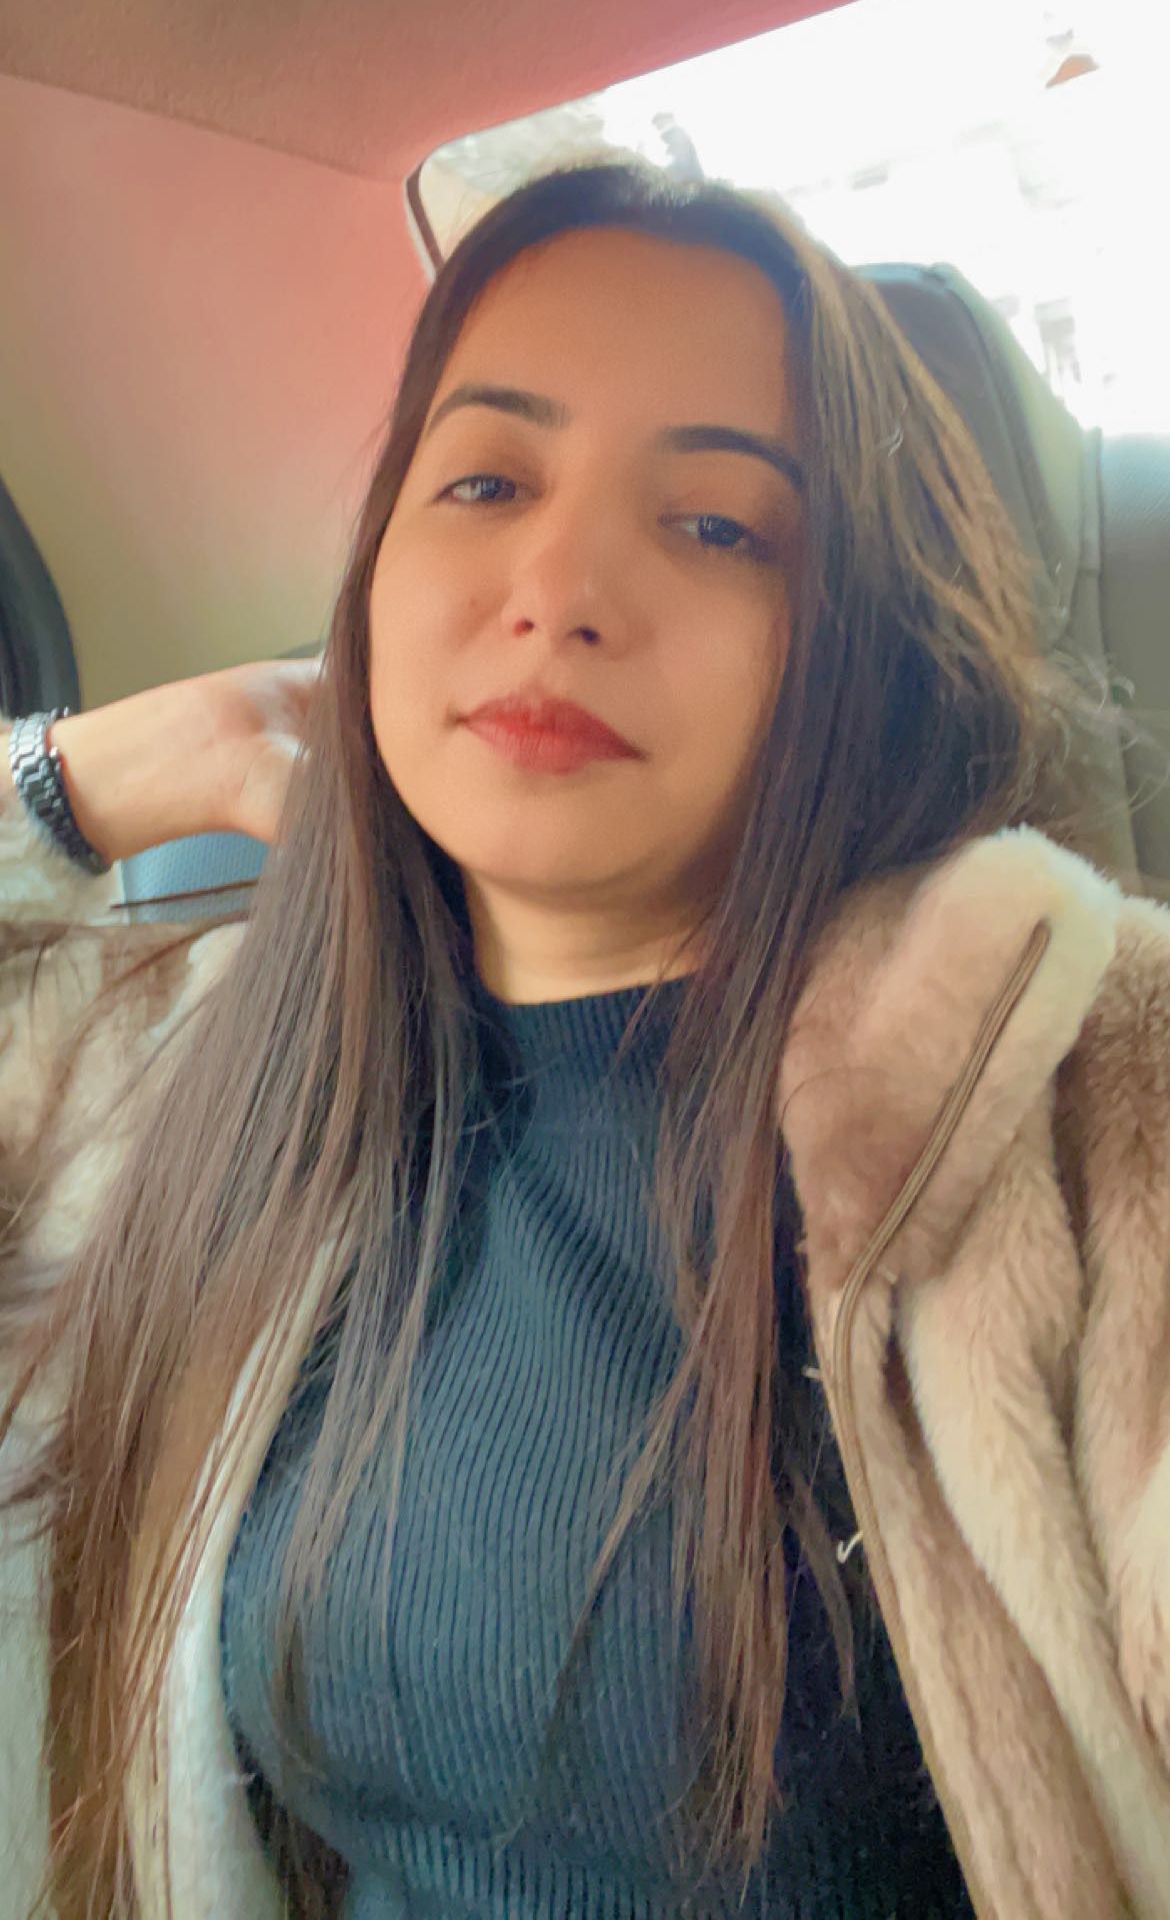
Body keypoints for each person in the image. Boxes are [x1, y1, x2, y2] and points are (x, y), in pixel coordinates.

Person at [1, 159, 1168, 1920]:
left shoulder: (1078, 1093)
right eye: (483, 481)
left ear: (854, 638)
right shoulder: (200, 1073)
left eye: (716, 525)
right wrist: (102, 768)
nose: (556, 585)